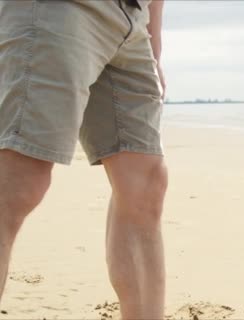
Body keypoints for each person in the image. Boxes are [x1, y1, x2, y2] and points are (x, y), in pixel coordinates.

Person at [0, 0, 167, 318]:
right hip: (64, 7)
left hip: (133, 21)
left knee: (145, 183)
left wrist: (153, 41)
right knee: (20, 178)